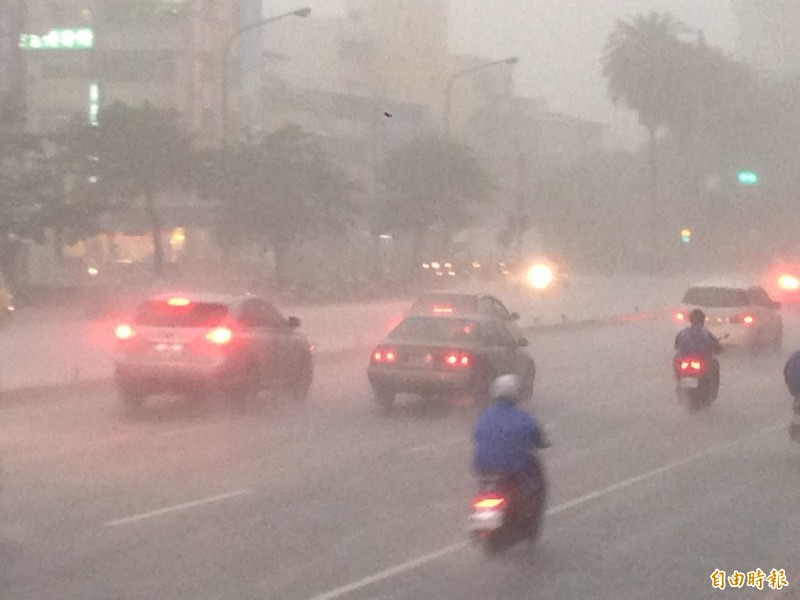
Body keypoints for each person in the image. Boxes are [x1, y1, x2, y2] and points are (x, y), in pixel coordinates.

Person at [473, 374, 548, 503]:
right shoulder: (524, 418)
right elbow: (537, 438)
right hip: (514, 472)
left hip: (484, 470)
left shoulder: (484, 417)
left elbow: (476, 435)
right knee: (534, 486)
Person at [674, 308, 723, 397]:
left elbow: (676, 345)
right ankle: (712, 392)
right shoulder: (705, 332)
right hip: (701, 360)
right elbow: (715, 346)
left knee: (677, 366)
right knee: (714, 366)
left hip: (684, 361)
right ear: (703, 320)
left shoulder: (683, 332)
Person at [783, 350, 800, 441]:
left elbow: (787, 371)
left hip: (795, 386)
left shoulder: (795, 356)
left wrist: (792, 389)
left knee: (797, 408)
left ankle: (795, 428)